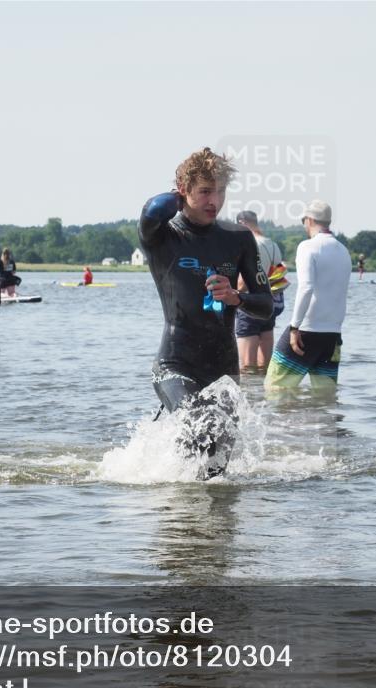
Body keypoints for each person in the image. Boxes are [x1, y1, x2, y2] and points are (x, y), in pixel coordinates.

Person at [138, 147, 273, 476]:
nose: (215, 201)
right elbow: (152, 210)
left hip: (223, 369)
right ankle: (180, 512)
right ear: (184, 190)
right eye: (205, 191)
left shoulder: (238, 238)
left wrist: (236, 298)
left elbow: (265, 305)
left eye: (222, 191)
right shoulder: (163, 236)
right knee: (203, 427)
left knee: (216, 467)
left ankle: (200, 520)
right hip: (175, 365)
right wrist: (178, 192)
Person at [265, 200, 350, 391]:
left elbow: (307, 287)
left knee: (275, 389)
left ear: (309, 220)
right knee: (325, 395)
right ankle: (321, 422)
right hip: (332, 335)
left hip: (306, 331)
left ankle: (281, 422)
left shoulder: (307, 247)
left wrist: (294, 327)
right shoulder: (344, 251)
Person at [234, 210, 285, 370]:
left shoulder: (250, 243)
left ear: (242, 223)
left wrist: (232, 296)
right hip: (269, 304)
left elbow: (244, 281)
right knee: (265, 366)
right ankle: (264, 395)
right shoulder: (272, 245)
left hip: (249, 305)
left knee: (247, 367)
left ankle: (251, 395)